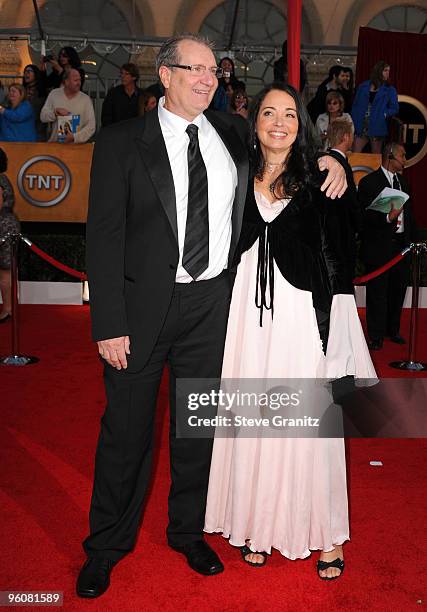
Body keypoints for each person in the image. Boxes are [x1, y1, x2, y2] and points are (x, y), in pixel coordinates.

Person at [78, 33, 347, 599]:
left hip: (213, 308)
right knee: (126, 433)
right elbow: (103, 238)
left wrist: (334, 154)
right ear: (166, 74)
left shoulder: (230, 132)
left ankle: (187, 532)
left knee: (196, 429)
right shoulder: (124, 141)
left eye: (212, 71)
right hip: (141, 310)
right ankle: (105, 547)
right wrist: (108, 323)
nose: (207, 79)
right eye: (193, 69)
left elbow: (287, 148)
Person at [204, 83, 376, 580]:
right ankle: (257, 523)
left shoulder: (323, 178)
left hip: (302, 319)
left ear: (302, 126)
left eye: (289, 115)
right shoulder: (234, 174)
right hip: (246, 320)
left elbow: (341, 256)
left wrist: (336, 159)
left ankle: (324, 535)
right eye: (268, 113)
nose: (278, 122)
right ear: (253, 122)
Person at [359, 142, 416, 350]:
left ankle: (393, 330)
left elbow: (410, 216)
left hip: (401, 247)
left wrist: (412, 240)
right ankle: (376, 335)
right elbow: (363, 217)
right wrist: (386, 218)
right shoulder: (369, 182)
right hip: (379, 245)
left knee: (398, 289)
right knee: (378, 291)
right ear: (390, 155)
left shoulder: (404, 183)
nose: (405, 159)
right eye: (402, 155)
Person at [326, 117, 360, 281]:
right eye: (352, 135)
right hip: (341, 239)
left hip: (326, 239)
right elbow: (351, 206)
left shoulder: (325, 162)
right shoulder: (341, 166)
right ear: (346, 137)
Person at [351, 61, 398, 154]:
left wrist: (384, 114)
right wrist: (354, 119)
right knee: (355, 154)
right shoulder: (363, 86)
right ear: (378, 71)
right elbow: (355, 105)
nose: (387, 73)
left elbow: (395, 108)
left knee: (376, 156)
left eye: (388, 71)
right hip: (361, 125)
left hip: (377, 125)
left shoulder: (390, 89)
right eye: (385, 70)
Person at [40, 68, 95, 143]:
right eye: (75, 80)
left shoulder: (86, 99)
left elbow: (91, 126)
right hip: (55, 145)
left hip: (77, 147)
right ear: (66, 81)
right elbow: (43, 116)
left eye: (80, 80)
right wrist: (55, 113)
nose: (79, 83)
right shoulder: (54, 94)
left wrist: (74, 137)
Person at [0, 147, 20, 323]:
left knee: (5, 271)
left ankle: (7, 309)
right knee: (7, 271)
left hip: (3, 227)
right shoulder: (4, 178)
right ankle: (9, 308)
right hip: (9, 225)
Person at [23, 64, 47, 141]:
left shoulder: (42, 91)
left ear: (35, 74)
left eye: (29, 71)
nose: (26, 74)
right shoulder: (21, 90)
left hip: (38, 129)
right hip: (23, 128)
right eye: (25, 72)